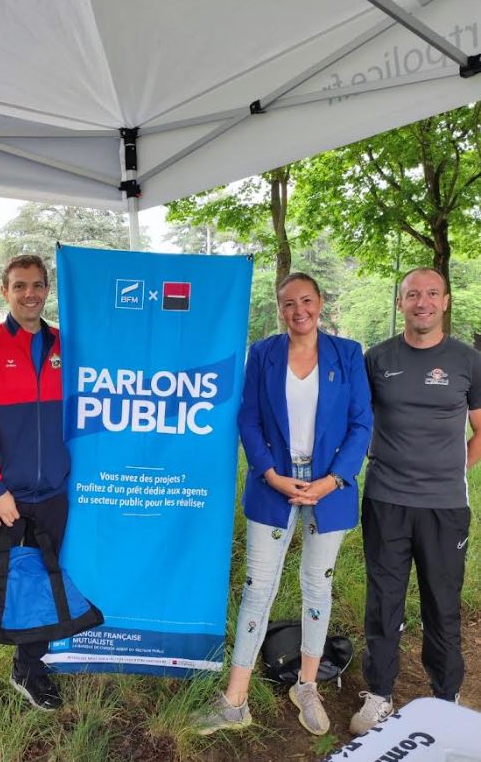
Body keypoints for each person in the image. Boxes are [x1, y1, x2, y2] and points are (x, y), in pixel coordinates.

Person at [195, 273, 372, 737]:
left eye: (306, 301)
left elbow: (361, 423)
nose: (299, 311)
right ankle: (235, 701)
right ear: (280, 309)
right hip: (274, 483)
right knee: (258, 588)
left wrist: (333, 480)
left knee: (317, 585)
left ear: (320, 303)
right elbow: (248, 418)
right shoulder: (263, 353)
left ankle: (307, 686)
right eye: (289, 303)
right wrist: (270, 473)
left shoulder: (347, 354)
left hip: (329, 487)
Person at [350, 267, 481, 734]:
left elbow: (480, 429)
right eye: (412, 294)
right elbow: (358, 421)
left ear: (445, 301)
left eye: (431, 293)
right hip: (386, 500)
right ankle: (379, 694)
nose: (421, 302)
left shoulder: (468, 360)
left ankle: (445, 697)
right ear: (400, 303)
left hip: (445, 507)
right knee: (383, 600)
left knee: (441, 603)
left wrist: (454, 470)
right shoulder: (377, 359)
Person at [0, 253, 70, 713]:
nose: (30, 294)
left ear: (47, 290)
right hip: (2, 496)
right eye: (20, 285)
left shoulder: (65, 344)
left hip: (53, 495)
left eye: (38, 285)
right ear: (5, 291)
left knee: (42, 586)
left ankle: (29, 669)